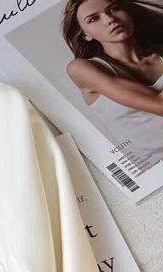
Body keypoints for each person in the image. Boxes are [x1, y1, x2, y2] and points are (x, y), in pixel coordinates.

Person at [63, 0, 163, 169]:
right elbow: (160, 105)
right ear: (85, 34)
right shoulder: (81, 69)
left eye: (113, 9)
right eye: (93, 19)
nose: (110, 19)